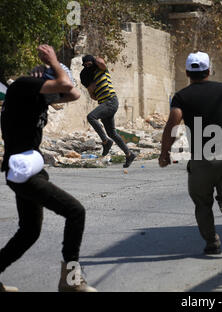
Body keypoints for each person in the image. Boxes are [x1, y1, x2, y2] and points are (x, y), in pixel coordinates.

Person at [0, 44, 96, 292]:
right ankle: (71, 282)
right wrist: (53, 61)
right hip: (22, 171)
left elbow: (72, 93)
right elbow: (65, 86)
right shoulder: (24, 86)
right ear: (46, 78)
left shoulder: (37, 94)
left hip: (29, 169)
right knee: (76, 212)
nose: (55, 98)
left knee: (29, 231)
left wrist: (55, 71)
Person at [159, 52, 222, 255]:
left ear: (187, 72)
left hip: (201, 158)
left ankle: (212, 243)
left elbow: (173, 124)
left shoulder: (182, 97)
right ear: (209, 70)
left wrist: (165, 153)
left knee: (203, 203)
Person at [80, 55, 136, 168]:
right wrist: (92, 87)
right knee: (112, 133)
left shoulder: (102, 69)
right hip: (104, 104)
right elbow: (93, 96)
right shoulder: (90, 77)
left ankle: (106, 141)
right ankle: (129, 154)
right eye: (85, 65)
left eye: (89, 63)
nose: (87, 66)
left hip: (110, 101)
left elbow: (101, 62)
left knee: (91, 117)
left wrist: (95, 59)